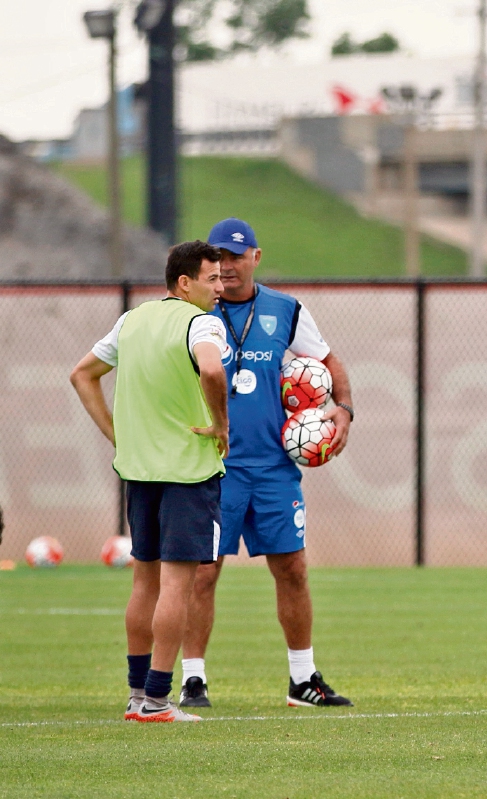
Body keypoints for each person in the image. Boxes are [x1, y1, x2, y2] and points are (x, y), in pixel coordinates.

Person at [179, 218, 355, 709]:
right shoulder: (195, 312)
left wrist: (343, 409)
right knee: (203, 573)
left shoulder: (286, 310)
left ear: (256, 256)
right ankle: (193, 679)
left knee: (293, 569)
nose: (228, 266)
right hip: (214, 467)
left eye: (237, 256)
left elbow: (330, 362)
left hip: (274, 468)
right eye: (219, 258)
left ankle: (303, 680)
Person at [70, 240, 230, 723]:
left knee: (144, 582)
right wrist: (221, 424)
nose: (221, 288)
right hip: (188, 470)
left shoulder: (131, 320)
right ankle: (159, 701)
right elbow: (211, 370)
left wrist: (120, 437)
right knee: (178, 585)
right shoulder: (201, 322)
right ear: (185, 283)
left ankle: (136, 696)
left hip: (139, 470)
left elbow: (82, 375)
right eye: (212, 279)